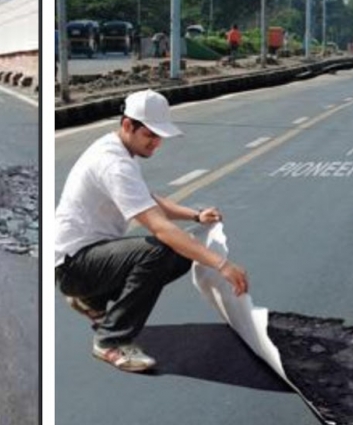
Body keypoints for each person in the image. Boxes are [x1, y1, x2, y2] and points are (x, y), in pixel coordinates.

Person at [55, 89, 249, 373]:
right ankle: (110, 341)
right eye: (150, 135)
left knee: (182, 252)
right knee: (160, 250)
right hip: (74, 265)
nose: (156, 144)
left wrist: (195, 215)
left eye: (159, 136)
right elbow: (160, 227)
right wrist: (222, 264)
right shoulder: (114, 164)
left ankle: (92, 299)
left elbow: (150, 199)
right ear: (127, 125)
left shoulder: (120, 150)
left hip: (88, 257)